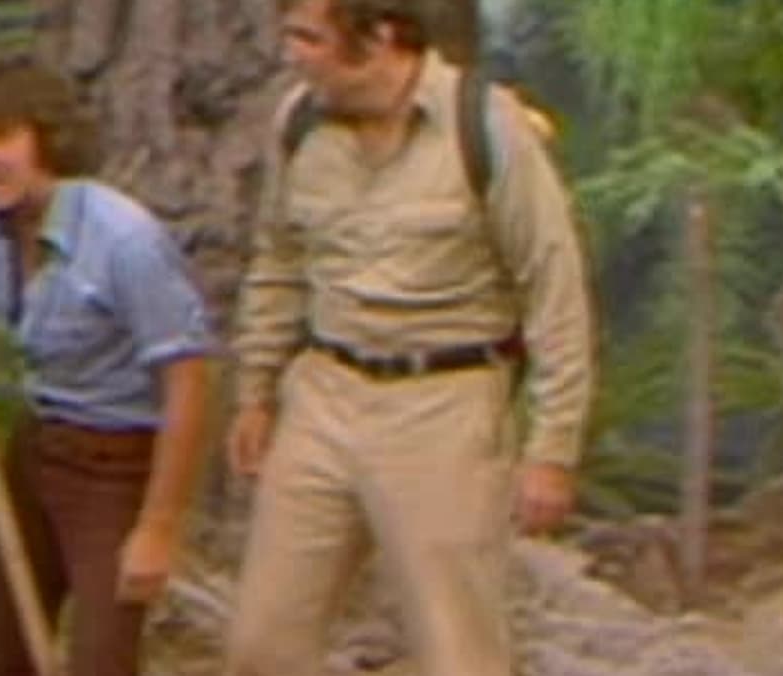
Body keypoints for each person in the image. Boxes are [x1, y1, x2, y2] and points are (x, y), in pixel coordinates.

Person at [222, 1, 596, 674]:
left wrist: (552, 449)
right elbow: (279, 260)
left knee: (457, 651)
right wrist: (256, 389)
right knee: (262, 645)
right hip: (325, 392)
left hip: (444, 406)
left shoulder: (484, 126)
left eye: (309, 38)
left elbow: (554, 289)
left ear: (380, 37)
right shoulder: (300, 122)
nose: (292, 54)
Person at [0, 47, 213, 676]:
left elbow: (187, 381)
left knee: (102, 661)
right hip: (36, 451)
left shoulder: (123, 240)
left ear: (47, 139)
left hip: (116, 465)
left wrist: (158, 528)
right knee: (1, 653)